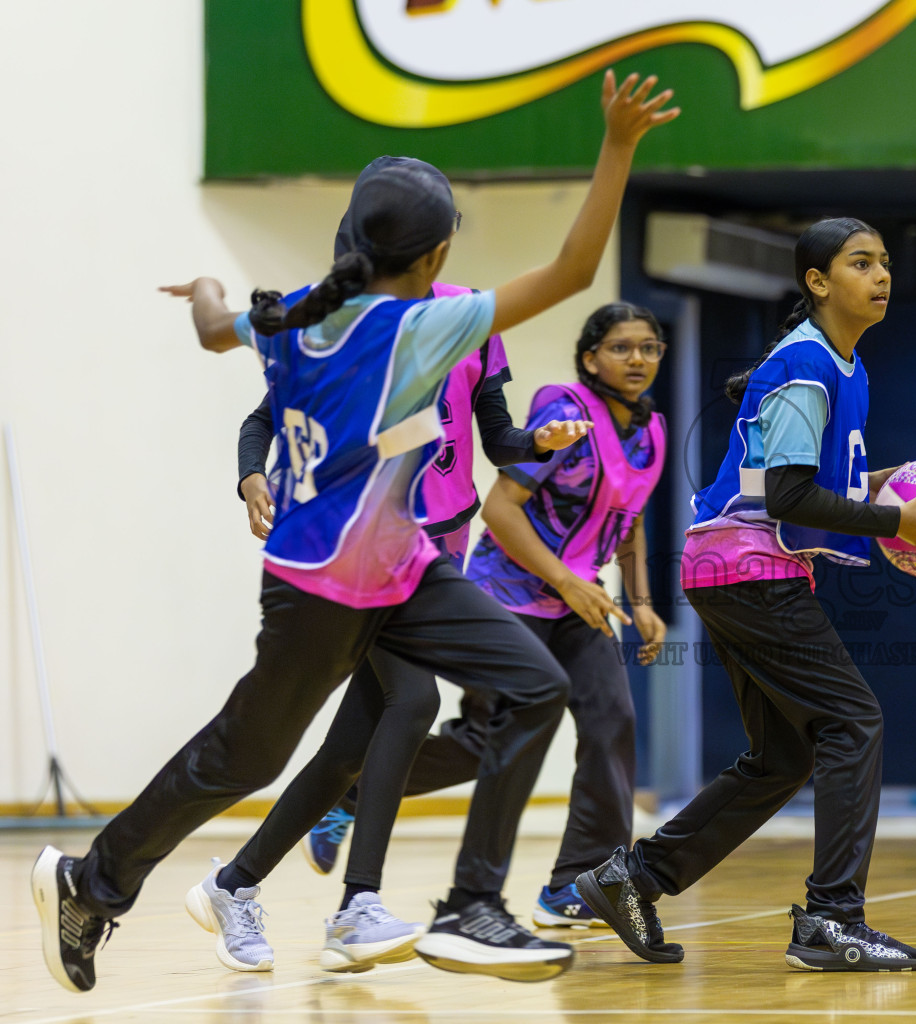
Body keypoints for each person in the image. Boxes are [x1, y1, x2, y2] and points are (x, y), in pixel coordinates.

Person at [32, 69, 678, 994]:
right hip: (320, 583)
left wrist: (212, 284)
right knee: (243, 755)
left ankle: (471, 907)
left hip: (406, 570)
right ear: (436, 255)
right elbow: (575, 273)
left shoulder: (296, 311)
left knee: (533, 686)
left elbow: (218, 326)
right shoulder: (419, 328)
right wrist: (616, 145)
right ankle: (91, 886)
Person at [190, 156, 590, 977]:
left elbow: (498, 435)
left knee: (353, 743)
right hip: (359, 552)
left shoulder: (471, 321)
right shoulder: (345, 320)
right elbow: (263, 419)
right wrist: (250, 475)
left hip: (432, 553)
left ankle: (241, 883)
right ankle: (357, 905)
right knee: (412, 701)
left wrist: (537, 449)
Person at [574, 218, 916, 973]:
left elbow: (780, 481)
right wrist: (895, 518)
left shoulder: (839, 364)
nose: (881, 275)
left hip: (731, 567)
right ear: (819, 282)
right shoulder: (805, 368)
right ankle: (831, 918)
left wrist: (885, 486)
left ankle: (633, 879)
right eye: (862, 263)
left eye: (885, 262)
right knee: (854, 723)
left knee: (783, 755)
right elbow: (788, 497)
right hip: (748, 569)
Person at [300, 302, 673, 931]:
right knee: (485, 740)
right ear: (590, 360)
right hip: (511, 596)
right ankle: (349, 797)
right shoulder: (565, 417)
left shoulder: (651, 432)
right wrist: (566, 581)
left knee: (612, 721)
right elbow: (501, 509)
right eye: (621, 347)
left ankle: (575, 884)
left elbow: (627, 522)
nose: (637, 359)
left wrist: (639, 600)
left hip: (578, 600)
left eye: (649, 347)